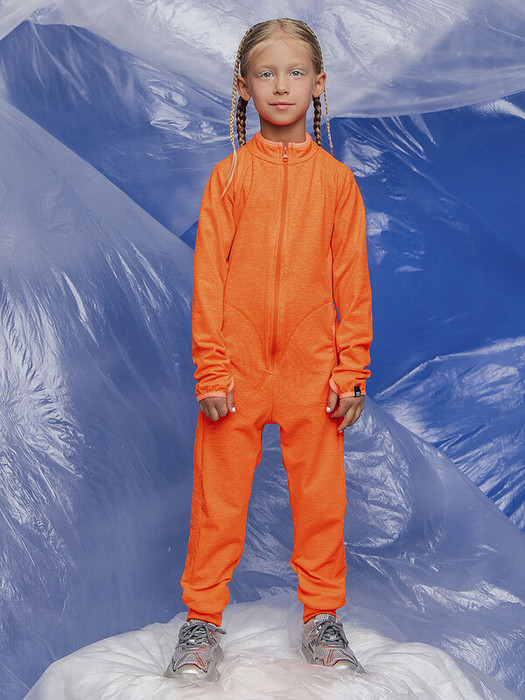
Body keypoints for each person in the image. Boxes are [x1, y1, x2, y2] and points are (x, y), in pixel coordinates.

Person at [164, 17, 372, 681]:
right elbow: (209, 281)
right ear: (243, 86)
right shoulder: (228, 179)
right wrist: (212, 370)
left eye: (294, 72)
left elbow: (353, 284)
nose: (280, 86)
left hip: (313, 374)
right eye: (265, 73)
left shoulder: (337, 184)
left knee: (321, 503)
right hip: (237, 371)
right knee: (218, 504)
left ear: (318, 83)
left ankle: (322, 619)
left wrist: (350, 371)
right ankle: (201, 623)